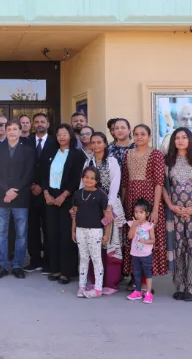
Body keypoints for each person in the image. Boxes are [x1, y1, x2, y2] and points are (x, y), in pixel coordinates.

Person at [163, 128, 192, 302]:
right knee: (178, 248)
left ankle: (191, 287)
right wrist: (172, 206)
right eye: (177, 138)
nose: (180, 141)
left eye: (184, 137)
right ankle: (180, 285)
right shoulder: (167, 162)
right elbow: (164, 187)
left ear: (190, 140)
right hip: (174, 213)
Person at [121, 124, 167, 287]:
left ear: (149, 136)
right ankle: (134, 277)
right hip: (132, 198)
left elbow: (158, 183)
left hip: (149, 197)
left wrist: (155, 209)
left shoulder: (156, 154)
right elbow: (125, 182)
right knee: (133, 236)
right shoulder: (127, 154)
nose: (139, 137)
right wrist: (124, 205)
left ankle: (147, 282)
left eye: (143, 134)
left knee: (147, 236)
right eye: (136, 134)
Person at [0, 120, 34, 280]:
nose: (12, 132)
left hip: (21, 199)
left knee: (21, 234)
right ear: (5, 132)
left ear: (20, 132)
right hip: (1, 197)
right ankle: (2, 265)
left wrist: (15, 191)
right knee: (0, 234)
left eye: (15, 129)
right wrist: (6, 190)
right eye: (9, 129)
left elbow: (29, 174)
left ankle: (17, 265)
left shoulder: (28, 150)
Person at [42, 124, 87, 285]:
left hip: (67, 198)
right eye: (59, 134)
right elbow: (43, 174)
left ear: (70, 136)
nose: (61, 137)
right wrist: (46, 193)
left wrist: (64, 195)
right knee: (52, 234)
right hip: (50, 197)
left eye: (65, 134)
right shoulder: (49, 152)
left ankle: (67, 271)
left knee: (67, 235)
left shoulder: (77, 154)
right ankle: (55, 268)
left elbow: (76, 179)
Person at [83, 132, 124, 294]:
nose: (96, 145)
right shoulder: (88, 161)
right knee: (94, 243)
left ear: (105, 143)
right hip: (92, 207)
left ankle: (111, 283)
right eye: (93, 142)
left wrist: (109, 208)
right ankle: (96, 280)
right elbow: (83, 184)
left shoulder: (111, 161)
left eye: (99, 142)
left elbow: (115, 185)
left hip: (109, 207)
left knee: (111, 244)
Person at [71, 167, 111, 298]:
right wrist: (73, 230)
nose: (89, 180)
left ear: (97, 181)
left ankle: (98, 289)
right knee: (83, 258)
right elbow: (74, 214)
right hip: (80, 230)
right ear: (82, 178)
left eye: (92, 178)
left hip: (95, 231)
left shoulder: (101, 195)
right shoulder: (77, 194)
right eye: (86, 177)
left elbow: (107, 217)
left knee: (96, 259)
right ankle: (82, 286)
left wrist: (107, 233)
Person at [26, 112, 56, 273]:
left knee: (48, 227)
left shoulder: (55, 142)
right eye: (36, 121)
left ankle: (48, 261)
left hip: (48, 193)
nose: (39, 124)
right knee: (32, 228)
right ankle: (34, 259)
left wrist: (43, 187)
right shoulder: (26, 141)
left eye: (42, 121)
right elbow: (22, 166)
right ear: (33, 124)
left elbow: (55, 169)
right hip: (30, 192)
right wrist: (31, 185)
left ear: (48, 124)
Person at [126, 199, 156, 304]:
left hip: (146, 254)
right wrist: (134, 225)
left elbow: (153, 240)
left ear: (147, 213)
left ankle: (148, 293)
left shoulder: (149, 226)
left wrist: (146, 241)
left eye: (141, 212)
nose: (138, 215)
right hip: (135, 254)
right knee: (136, 273)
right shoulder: (131, 224)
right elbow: (130, 236)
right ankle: (137, 291)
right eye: (136, 212)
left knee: (147, 273)